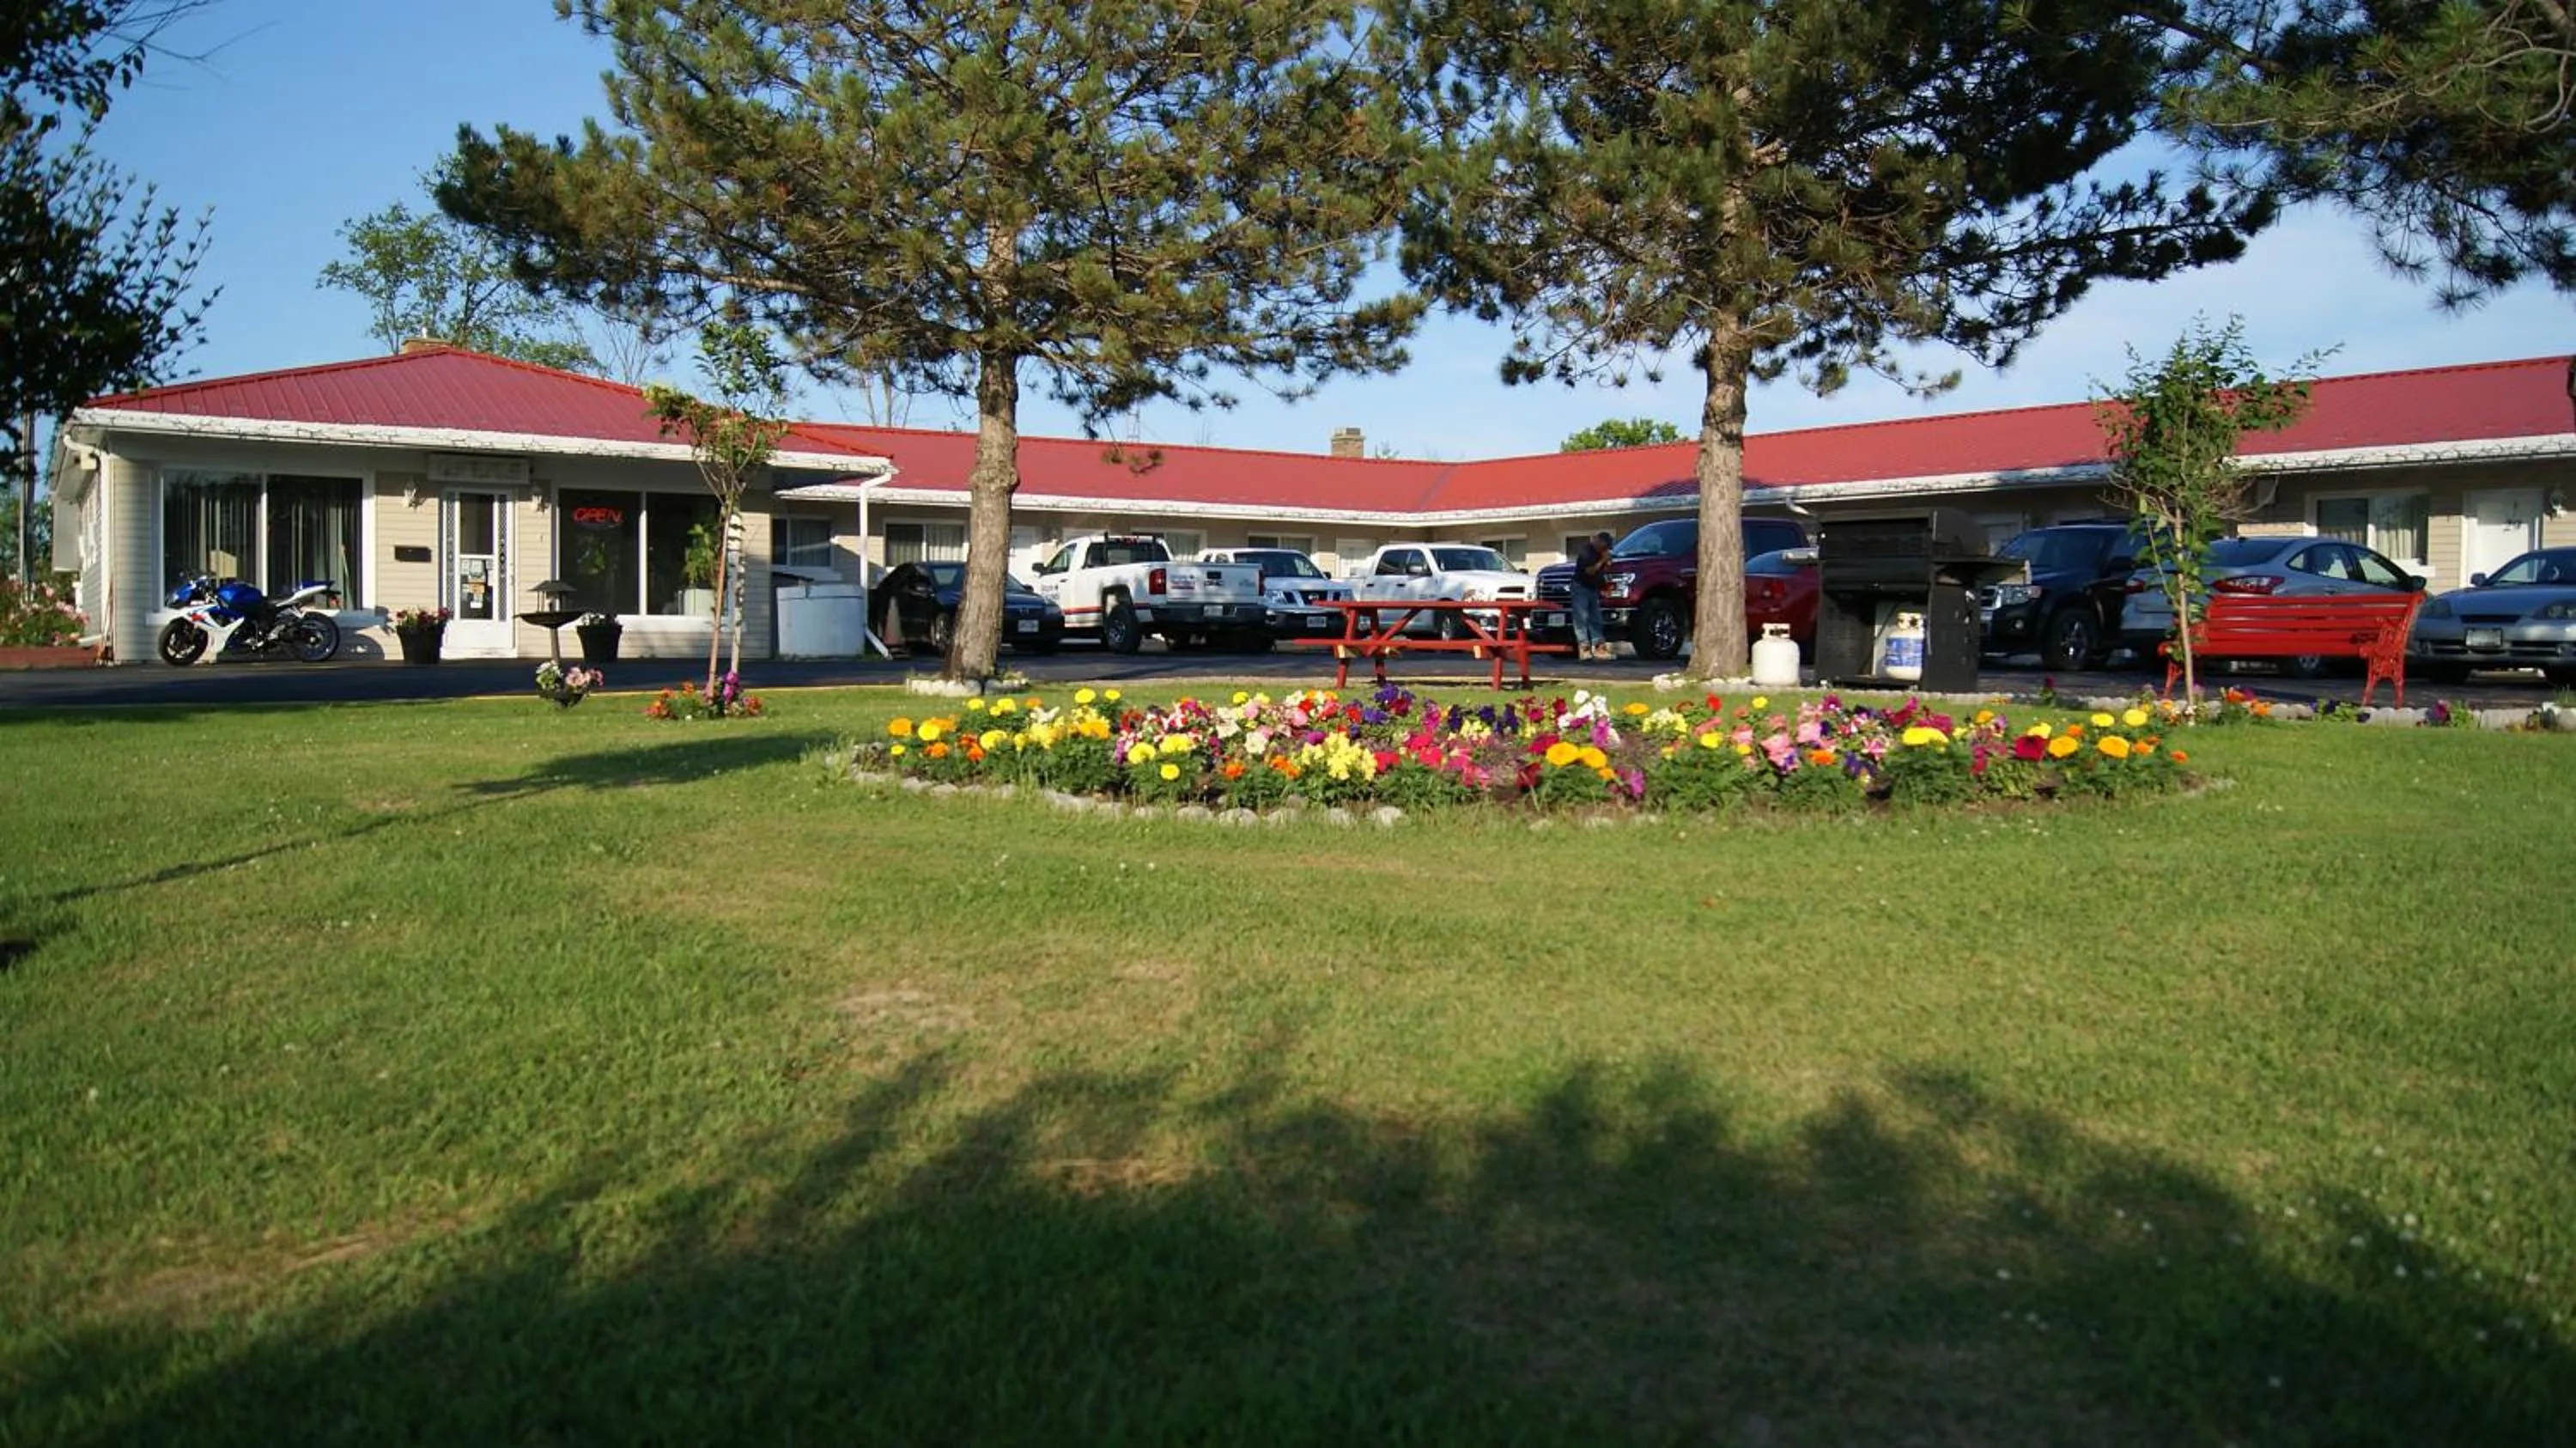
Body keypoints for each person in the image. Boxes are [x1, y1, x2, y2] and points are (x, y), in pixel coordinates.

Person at [1569, 530, 1614, 660]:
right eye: (1604, 546)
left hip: (1593, 588)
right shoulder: (1586, 551)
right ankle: (1584, 648)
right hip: (1580, 586)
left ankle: (1600, 648)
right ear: (1599, 541)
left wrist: (1608, 563)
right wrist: (1602, 560)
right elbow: (1589, 571)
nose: (1605, 549)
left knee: (1596, 617)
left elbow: (1602, 572)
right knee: (1581, 618)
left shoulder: (1601, 554)